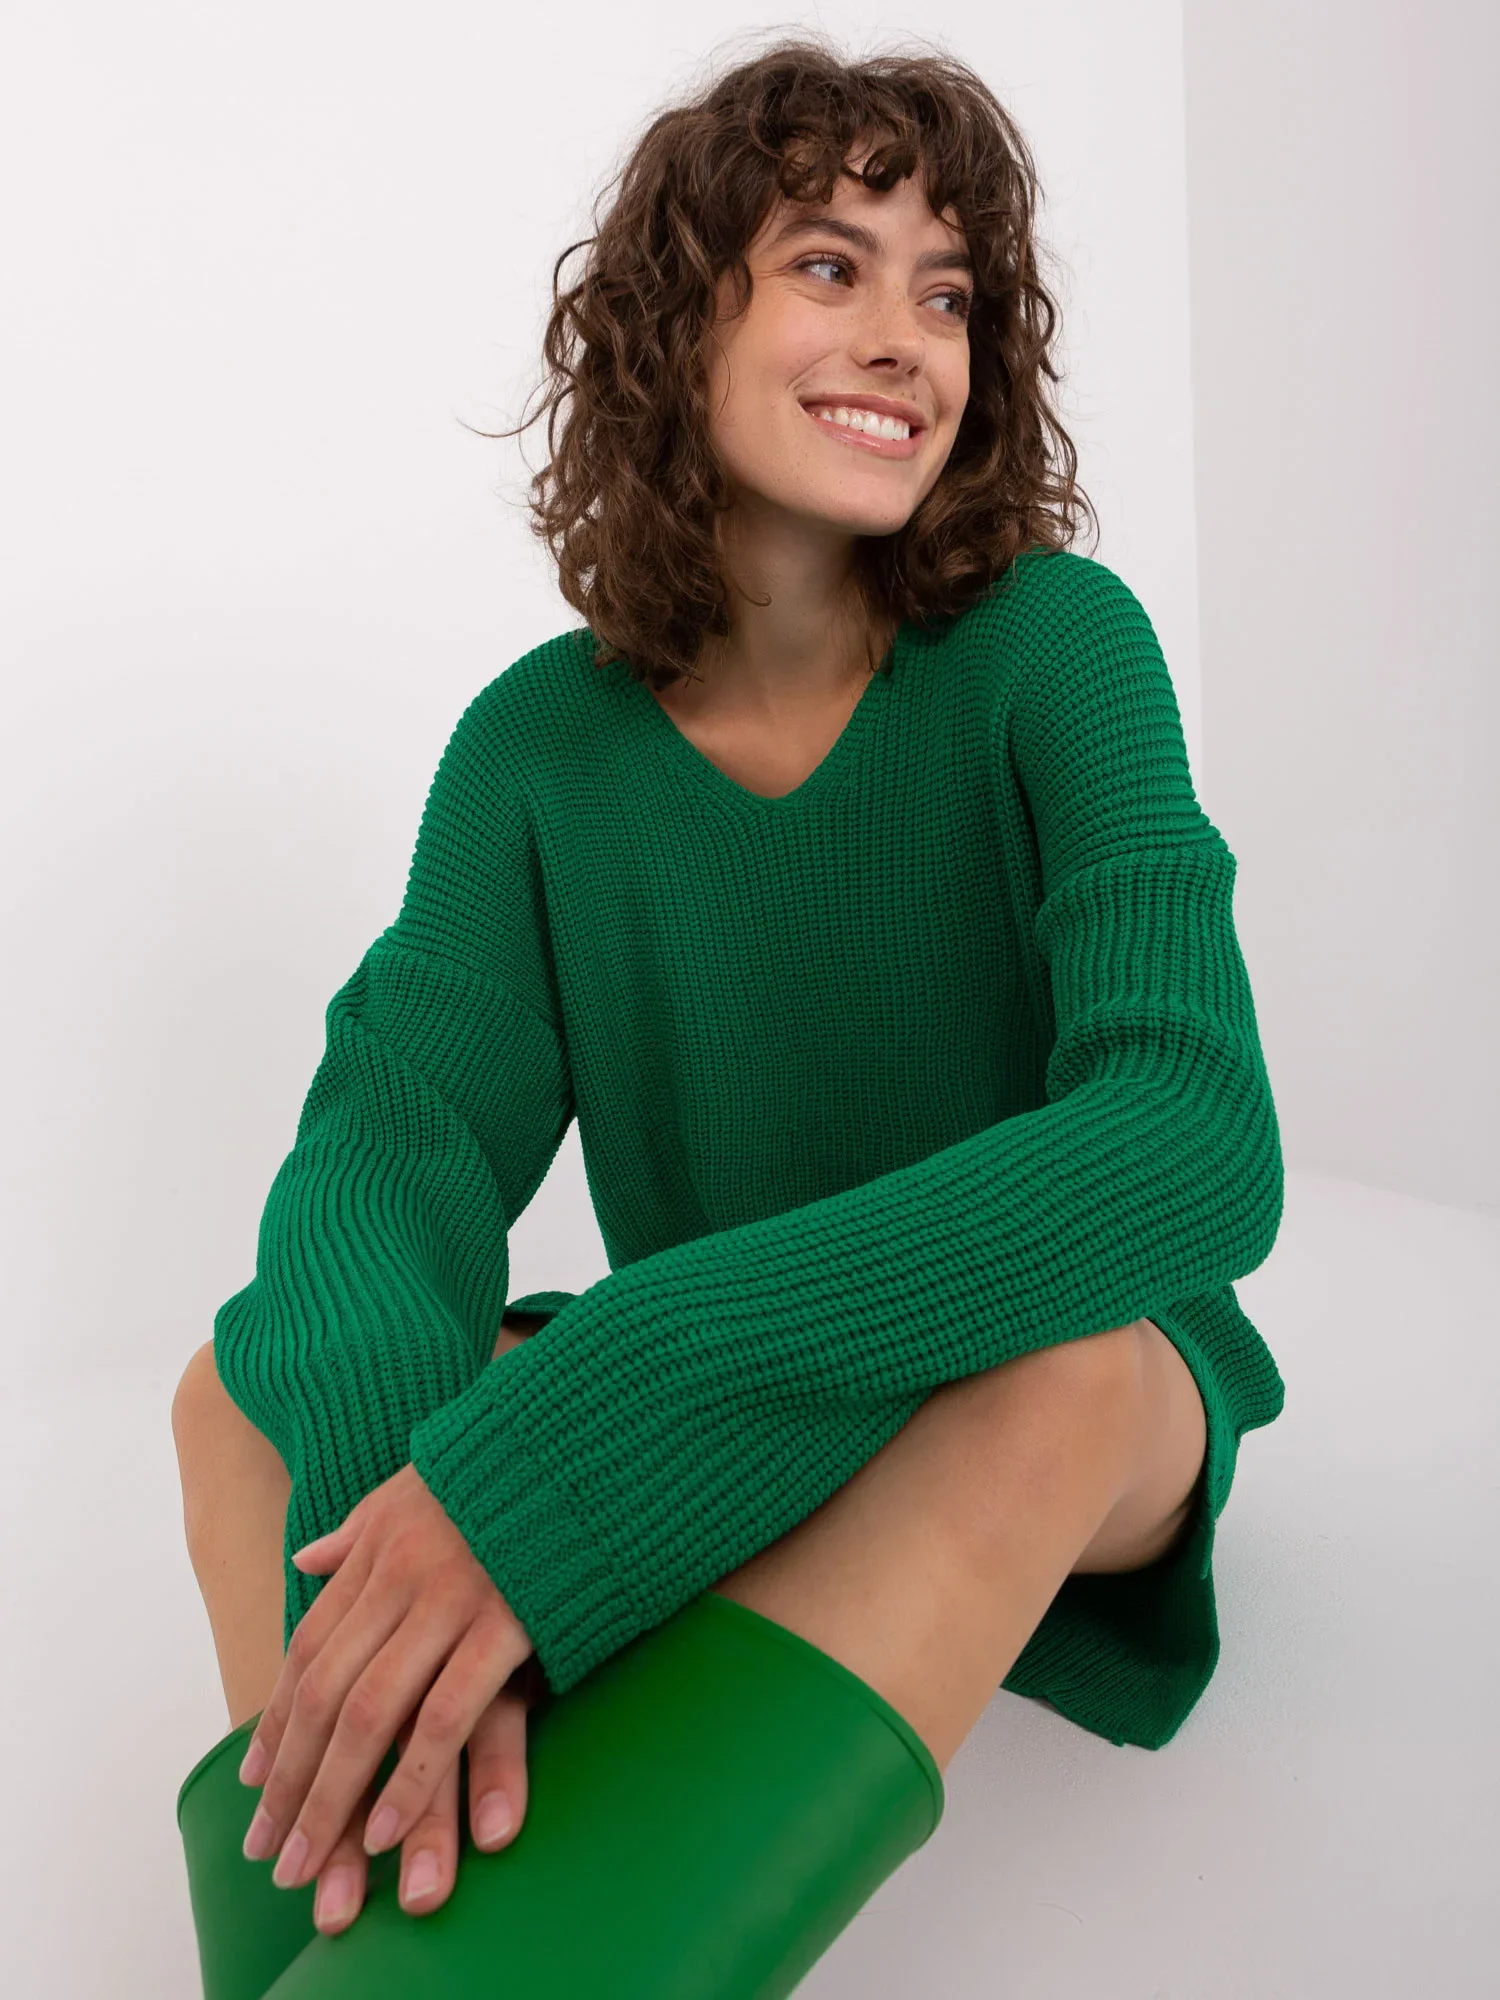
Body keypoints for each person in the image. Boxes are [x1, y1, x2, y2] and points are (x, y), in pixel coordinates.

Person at [172, 31, 1284, 1978]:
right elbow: (391, 1157)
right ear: (679, 321)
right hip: (723, 1394)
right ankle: (370, 1892)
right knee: (245, 1390)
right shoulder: (537, 749)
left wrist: (613, 1402)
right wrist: (393, 1546)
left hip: (1037, 1374)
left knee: (1056, 1369)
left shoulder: (1055, 645)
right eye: (833, 266)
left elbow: (1192, 1143)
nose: (908, 341)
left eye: (949, 293)